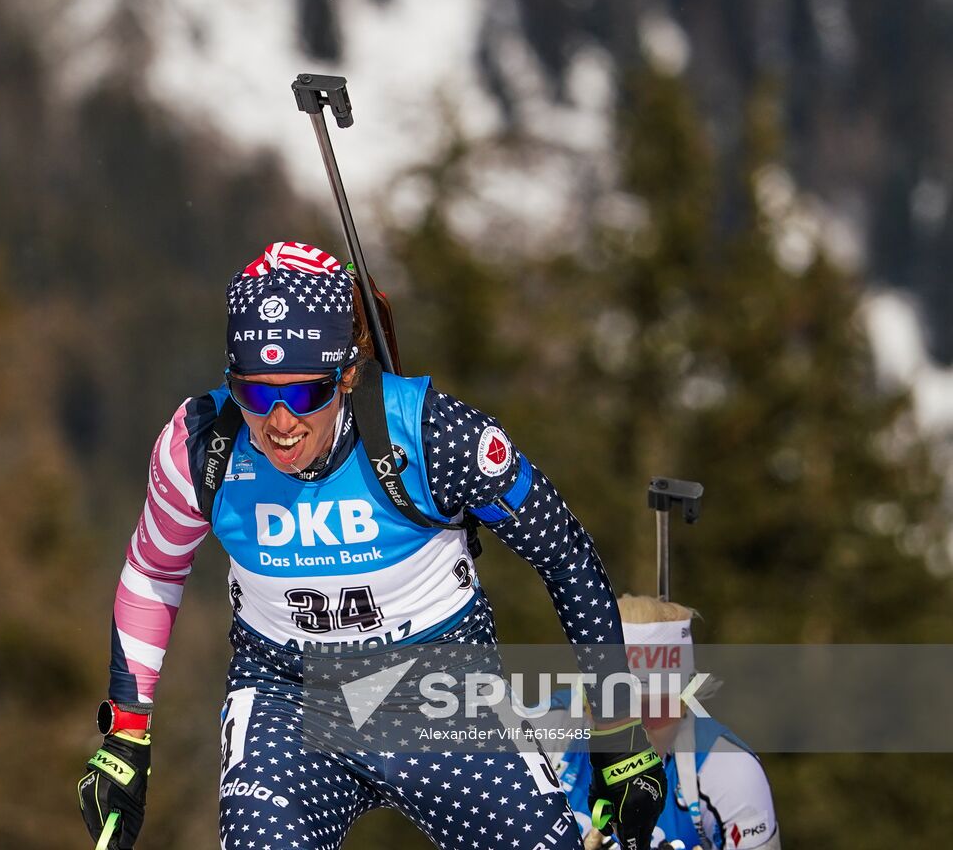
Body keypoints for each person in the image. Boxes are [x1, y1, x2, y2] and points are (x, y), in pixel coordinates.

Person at [77, 241, 666, 850]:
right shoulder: (200, 445)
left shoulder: (432, 434)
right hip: (289, 697)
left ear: (348, 373)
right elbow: (153, 573)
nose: (280, 422)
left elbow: (563, 554)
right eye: (255, 392)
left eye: (305, 393)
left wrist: (620, 729)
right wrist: (126, 732)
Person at [551, 595, 781, 849]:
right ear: (587, 700)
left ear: (684, 703)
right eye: (615, 710)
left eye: (657, 708)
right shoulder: (546, 731)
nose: (636, 732)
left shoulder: (728, 768)